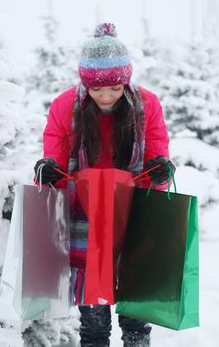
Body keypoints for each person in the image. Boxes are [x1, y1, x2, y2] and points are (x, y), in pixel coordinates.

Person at [32, 22, 174, 347]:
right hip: (86, 217)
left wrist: (161, 169)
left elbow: (158, 151)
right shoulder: (66, 107)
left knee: (136, 311)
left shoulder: (147, 105)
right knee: (94, 318)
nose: (105, 96)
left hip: (134, 212)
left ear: (126, 80)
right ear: (85, 83)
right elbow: (53, 152)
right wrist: (48, 170)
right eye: (97, 89)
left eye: (114, 87)